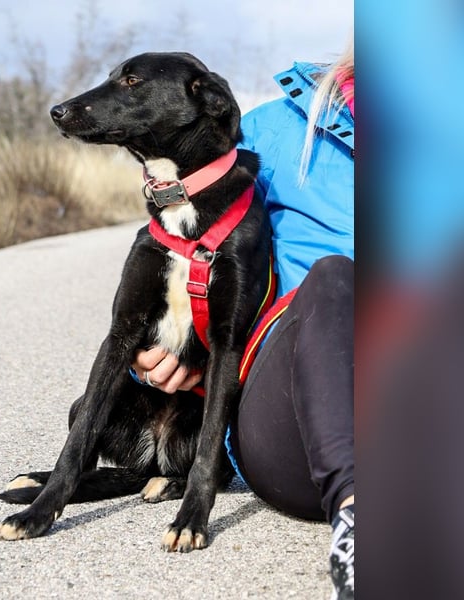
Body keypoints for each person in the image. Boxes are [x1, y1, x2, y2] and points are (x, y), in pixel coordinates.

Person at [132, 42, 355, 599]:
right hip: (294, 421)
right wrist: (171, 350)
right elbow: (175, 251)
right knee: (334, 278)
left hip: (428, 413)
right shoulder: (273, 131)